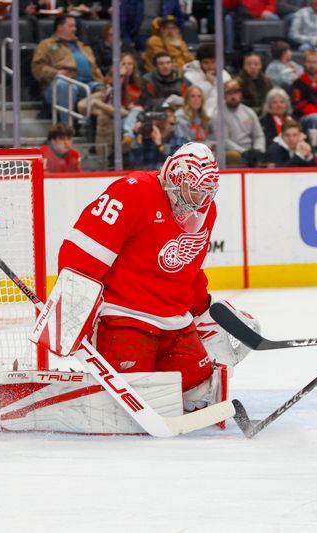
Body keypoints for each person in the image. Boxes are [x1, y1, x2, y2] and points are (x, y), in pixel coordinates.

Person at [56, 143, 232, 412]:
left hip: (175, 323)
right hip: (124, 317)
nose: (199, 200)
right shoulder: (133, 191)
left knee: (198, 392)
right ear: (175, 178)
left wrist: (204, 313)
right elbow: (82, 252)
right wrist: (70, 313)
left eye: (205, 192)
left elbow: (190, 269)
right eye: (193, 189)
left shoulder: (206, 210)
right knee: (138, 399)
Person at [31, 15, 105, 124]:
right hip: (58, 86)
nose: (74, 29)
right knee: (66, 86)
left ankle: (95, 129)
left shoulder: (83, 46)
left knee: (108, 90)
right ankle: (67, 127)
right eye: (71, 26)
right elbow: (37, 68)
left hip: (88, 84)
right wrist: (55, 73)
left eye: (75, 26)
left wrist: (104, 83)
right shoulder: (46, 45)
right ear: (60, 27)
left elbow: (95, 68)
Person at [128, 104, 189, 170]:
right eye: (159, 116)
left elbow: (180, 164)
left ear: (174, 119)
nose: (163, 120)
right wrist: (138, 139)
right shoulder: (145, 141)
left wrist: (161, 146)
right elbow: (135, 166)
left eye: (167, 116)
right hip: (148, 177)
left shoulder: (182, 141)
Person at [223, 79, 266, 167]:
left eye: (236, 92)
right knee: (233, 156)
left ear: (240, 94)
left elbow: (258, 135)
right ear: (224, 95)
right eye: (229, 93)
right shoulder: (219, 115)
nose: (233, 96)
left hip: (250, 150)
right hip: (233, 151)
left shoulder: (249, 112)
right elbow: (224, 140)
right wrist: (243, 152)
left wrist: (258, 149)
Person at [182, 44, 232, 118]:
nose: (210, 66)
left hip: (221, 117)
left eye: (213, 62)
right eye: (206, 63)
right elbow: (190, 100)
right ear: (200, 63)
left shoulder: (225, 76)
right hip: (198, 116)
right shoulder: (189, 77)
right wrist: (208, 83)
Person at [290, 49, 317, 132]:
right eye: (309, 62)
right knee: (314, 118)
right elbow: (299, 105)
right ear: (304, 63)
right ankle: (313, 144)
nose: (311, 65)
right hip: (305, 117)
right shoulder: (298, 83)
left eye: (314, 62)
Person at [238, 52, 274, 116]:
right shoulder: (238, 82)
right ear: (244, 66)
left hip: (265, 113)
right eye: (249, 64)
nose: (252, 67)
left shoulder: (267, 81)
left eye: (256, 64)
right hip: (245, 114)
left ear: (261, 66)